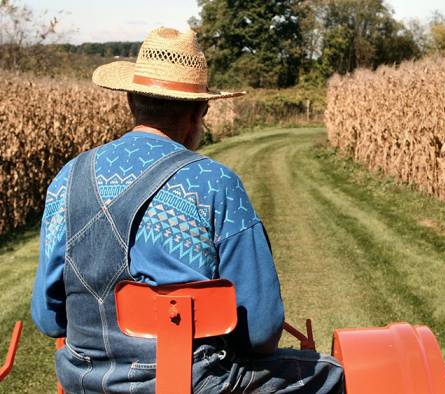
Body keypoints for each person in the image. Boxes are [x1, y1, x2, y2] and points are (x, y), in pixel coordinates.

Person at [31, 27, 345, 393]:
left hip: (83, 381)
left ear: (132, 102)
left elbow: (48, 318)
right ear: (200, 112)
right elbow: (260, 331)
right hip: (191, 384)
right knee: (333, 373)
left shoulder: (68, 179)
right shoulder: (214, 184)